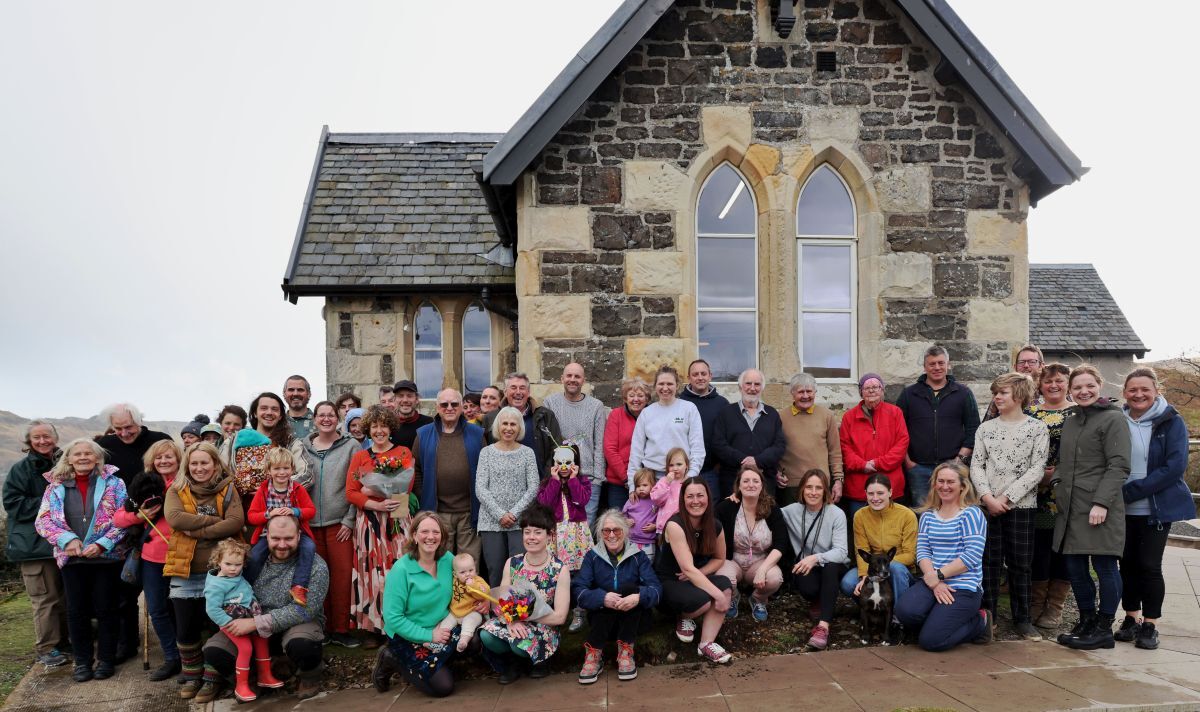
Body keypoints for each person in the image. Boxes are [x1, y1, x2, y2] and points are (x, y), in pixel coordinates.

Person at [200, 516, 329, 703]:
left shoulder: (316, 566)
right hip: (248, 620)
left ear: (299, 536)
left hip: (293, 624)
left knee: (303, 643)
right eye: (276, 538)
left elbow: (304, 611)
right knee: (214, 650)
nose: (282, 545)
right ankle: (250, 679)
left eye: (288, 538)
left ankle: (310, 675)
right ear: (266, 536)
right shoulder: (249, 562)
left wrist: (255, 623)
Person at [34, 438, 128, 682]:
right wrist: (67, 540)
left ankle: (106, 660)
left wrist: (102, 544)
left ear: (97, 458)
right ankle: (83, 662)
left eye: (89, 453)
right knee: (77, 612)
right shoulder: (54, 487)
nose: (83, 457)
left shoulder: (115, 484)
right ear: (69, 459)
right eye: (78, 454)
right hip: (72, 558)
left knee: (107, 609)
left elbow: (124, 520)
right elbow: (43, 521)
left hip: (106, 558)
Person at [1115, 367, 1195, 650]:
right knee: (1126, 564)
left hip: (1154, 507)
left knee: (1149, 566)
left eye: (1145, 389)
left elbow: (1175, 467)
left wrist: (1131, 491)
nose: (1139, 394)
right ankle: (1130, 618)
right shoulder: (1117, 419)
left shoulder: (1171, 421)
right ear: (1124, 393)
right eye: (1133, 390)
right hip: (1121, 509)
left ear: (1156, 391)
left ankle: (1150, 624)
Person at [1053, 365, 1131, 650]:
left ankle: (1103, 628)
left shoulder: (1113, 419)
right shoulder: (1072, 419)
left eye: (1089, 386)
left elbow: (1119, 465)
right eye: (1077, 387)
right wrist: (1058, 484)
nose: (1083, 391)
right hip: (1071, 506)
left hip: (1100, 506)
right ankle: (1086, 621)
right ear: (1070, 391)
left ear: (1100, 386)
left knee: (1105, 566)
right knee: (1075, 567)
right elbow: (1063, 461)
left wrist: (1101, 502)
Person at [970, 372, 1049, 641]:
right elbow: (977, 465)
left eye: (1002, 393)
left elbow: (1037, 468)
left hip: (1022, 507)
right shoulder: (986, 429)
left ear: (1019, 395)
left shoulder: (1036, 428)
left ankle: (1023, 620)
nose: (997, 397)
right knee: (989, 562)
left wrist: (1007, 498)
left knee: (1021, 564)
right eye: (996, 393)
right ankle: (988, 617)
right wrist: (988, 498)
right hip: (988, 506)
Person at [163, 442, 244, 699]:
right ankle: (191, 675)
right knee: (186, 628)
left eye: (204, 463)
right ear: (187, 465)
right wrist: (214, 522)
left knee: (215, 626)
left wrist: (197, 530)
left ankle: (212, 678)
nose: (199, 468)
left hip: (220, 572)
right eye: (194, 463)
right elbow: (175, 519)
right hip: (184, 569)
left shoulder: (228, 488)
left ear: (215, 464)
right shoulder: (177, 489)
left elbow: (235, 522)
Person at [95, 402, 170, 661]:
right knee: (124, 590)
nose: (124, 433)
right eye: (118, 429)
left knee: (162, 594)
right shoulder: (107, 445)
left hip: (159, 525)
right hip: (125, 521)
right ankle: (127, 644)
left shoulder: (159, 441)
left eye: (128, 427)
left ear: (139, 421)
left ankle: (173, 647)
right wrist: (133, 516)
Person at [894, 461, 990, 652]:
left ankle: (980, 622)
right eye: (941, 481)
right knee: (905, 612)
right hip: (933, 581)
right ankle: (939, 619)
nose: (945, 486)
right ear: (934, 483)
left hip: (963, 587)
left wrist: (939, 576)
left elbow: (972, 556)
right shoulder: (928, 515)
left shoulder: (971, 514)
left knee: (931, 641)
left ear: (962, 485)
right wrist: (934, 581)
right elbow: (922, 551)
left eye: (950, 482)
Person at [372, 511, 467, 697]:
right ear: (414, 535)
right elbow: (392, 617)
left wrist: (477, 602)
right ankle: (390, 658)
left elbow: (464, 587)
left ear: (442, 536)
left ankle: (439, 662)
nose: (430, 537)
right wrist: (429, 635)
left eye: (436, 532)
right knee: (443, 687)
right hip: (409, 635)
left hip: (441, 626)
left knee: (473, 641)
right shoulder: (402, 569)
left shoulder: (448, 559)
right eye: (424, 532)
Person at [113, 439, 183, 681]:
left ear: (178, 459)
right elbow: (119, 518)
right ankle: (172, 657)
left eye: (168, 457)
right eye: (158, 457)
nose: (163, 461)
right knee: (157, 609)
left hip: (182, 555)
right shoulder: (141, 483)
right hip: (152, 557)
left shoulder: (186, 483)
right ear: (151, 461)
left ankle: (190, 658)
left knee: (183, 609)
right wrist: (138, 515)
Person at [479, 504, 572, 683]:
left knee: (519, 643)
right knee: (486, 634)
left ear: (550, 536)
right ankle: (513, 663)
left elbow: (559, 617)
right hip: (514, 621)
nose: (531, 537)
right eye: (527, 532)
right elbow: (500, 602)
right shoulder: (512, 563)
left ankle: (539, 660)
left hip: (543, 625)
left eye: (537, 532)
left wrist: (523, 617)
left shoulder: (560, 569)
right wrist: (512, 620)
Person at [346, 405, 415, 646]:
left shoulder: (403, 453)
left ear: (390, 428)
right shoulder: (360, 457)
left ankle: (401, 624)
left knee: (398, 568)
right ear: (368, 429)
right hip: (369, 520)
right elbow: (351, 492)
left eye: (383, 426)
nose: (379, 431)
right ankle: (374, 627)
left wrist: (371, 489)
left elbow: (405, 486)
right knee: (371, 571)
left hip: (398, 514)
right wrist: (373, 503)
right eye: (374, 426)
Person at [3, 420, 68, 669]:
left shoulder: (65, 463)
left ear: (55, 437)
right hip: (33, 546)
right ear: (28, 442)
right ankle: (47, 648)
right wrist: (49, 500)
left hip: (62, 541)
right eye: (37, 438)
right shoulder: (21, 470)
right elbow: (14, 505)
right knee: (45, 598)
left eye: (47, 436)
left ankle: (65, 640)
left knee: (65, 596)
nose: (42, 441)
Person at [572, 509, 662, 684]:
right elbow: (578, 590)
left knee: (630, 589)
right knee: (601, 594)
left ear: (625, 532)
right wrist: (602, 598)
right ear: (600, 533)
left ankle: (626, 651)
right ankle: (593, 655)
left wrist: (638, 597)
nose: (611, 535)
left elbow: (657, 589)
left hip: (635, 621)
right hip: (603, 622)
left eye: (616, 530)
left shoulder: (638, 556)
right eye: (606, 531)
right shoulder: (592, 557)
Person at [301, 400, 361, 647]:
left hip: (340, 523)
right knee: (318, 577)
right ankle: (321, 629)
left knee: (342, 576)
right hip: (310, 523)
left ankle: (341, 630)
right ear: (314, 419)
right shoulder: (302, 447)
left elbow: (359, 485)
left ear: (338, 419)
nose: (326, 419)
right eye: (321, 415)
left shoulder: (352, 446)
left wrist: (349, 520)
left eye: (331, 415)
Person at [655, 478, 732, 664]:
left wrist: (703, 573)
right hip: (668, 582)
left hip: (693, 579)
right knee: (705, 600)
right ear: (683, 499)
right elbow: (687, 569)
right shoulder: (675, 524)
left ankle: (706, 644)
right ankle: (684, 617)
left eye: (700, 495)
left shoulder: (714, 525)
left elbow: (719, 558)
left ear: (708, 497)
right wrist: (717, 597)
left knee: (726, 587)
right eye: (690, 496)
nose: (695, 501)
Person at [202, 539, 285, 702]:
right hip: (231, 621)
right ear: (218, 561)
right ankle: (241, 685)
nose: (233, 569)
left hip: (249, 616)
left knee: (262, 639)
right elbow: (212, 609)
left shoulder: (237, 575)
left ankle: (265, 676)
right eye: (228, 564)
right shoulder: (216, 585)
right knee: (245, 647)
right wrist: (229, 624)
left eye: (238, 565)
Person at [896, 346, 980, 505]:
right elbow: (898, 430)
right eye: (932, 364)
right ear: (924, 367)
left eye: (941, 363)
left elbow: (973, 428)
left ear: (948, 365)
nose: (937, 368)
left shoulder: (963, 393)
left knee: (954, 511)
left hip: (953, 466)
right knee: (923, 515)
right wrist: (908, 462)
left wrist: (960, 459)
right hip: (918, 468)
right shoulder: (909, 394)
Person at [413, 388, 486, 564]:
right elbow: (415, 470)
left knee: (469, 565)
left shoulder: (477, 434)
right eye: (444, 404)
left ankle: (469, 593)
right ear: (437, 407)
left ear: (461, 407)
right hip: (438, 512)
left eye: (454, 404)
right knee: (440, 564)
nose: (449, 408)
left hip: (470, 512)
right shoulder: (423, 434)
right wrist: (425, 495)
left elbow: (486, 469)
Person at [1027, 363, 1074, 631]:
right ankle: (1036, 603)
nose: (1053, 385)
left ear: (1067, 383)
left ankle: (1055, 607)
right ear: (1040, 385)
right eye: (1048, 381)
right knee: (1039, 550)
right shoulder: (1030, 412)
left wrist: (1059, 472)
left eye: (1059, 381)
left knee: (1063, 550)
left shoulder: (1078, 413)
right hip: (1037, 494)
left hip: (1068, 492)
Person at [781, 468, 849, 651]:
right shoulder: (791, 511)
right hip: (807, 566)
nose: (813, 492)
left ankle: (823, 627)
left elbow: (842, 551)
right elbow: (765, 510)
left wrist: (816, 558)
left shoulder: (836, 513)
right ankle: (821, 598)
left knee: (831, 567)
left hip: (833, 565)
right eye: (809, 487)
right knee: (808, 588)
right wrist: (738, 496)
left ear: (825, 491)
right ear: (802, 489)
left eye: (818, 488)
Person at [475, 406, 540, 585]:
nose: (508, 428)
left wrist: (513, 514)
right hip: (491, 522)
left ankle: (519, 610)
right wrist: (500, 514)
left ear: (519, 428)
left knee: (519, 570)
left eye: (513, 424)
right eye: (505, 423)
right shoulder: (486, 453)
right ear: (498, 426)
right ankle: (497, 611)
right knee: (495, 570)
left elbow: (533, 487)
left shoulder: (528, 453)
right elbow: (480, 488)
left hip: (519, 523)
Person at [715, 465, 789, 622]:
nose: (751, 484)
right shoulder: (726, 507)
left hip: (759, 561)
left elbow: (781, 543)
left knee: (774, 578)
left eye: (755, 481)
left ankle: (758, 599)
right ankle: (733, 597)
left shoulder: (772, 509)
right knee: (723, 577)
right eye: (746, 481)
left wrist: (763, 569)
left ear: (762, 485)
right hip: (732, 560)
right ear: (739, 485)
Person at [245, 447, 318, 604]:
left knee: (309, 547)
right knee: (255, 555)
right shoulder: (264, 490)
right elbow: (251, 516)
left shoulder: (297, 488)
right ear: (269, 470)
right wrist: (268, 514)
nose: (281, 472)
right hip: (269, 534)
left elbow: (311, 511)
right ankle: (244, 587)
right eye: (277, 468)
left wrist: (295, 511)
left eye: (286, 468)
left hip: (296, 532)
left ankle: (299, 586)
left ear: (292, 469)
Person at [536, 444, 593, 631]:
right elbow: (545, 503)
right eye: (559, 463)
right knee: (557, 572)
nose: (564, 467)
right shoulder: (547, 483)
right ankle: (555, 611)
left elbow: (581, 500)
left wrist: (573, 480)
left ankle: (579, 609)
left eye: (568, 463)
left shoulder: (582, 481)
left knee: (578, 573)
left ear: (575, 464)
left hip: (576, 535)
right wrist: (554, 481)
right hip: (556, 535)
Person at [543, 362, 609, 524]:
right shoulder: (550, 403)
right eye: (569, 375)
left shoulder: (596, 406)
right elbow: (546, 442)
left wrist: (598, 478)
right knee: (558, 527)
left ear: (583, 380)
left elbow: (599, 444)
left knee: (585, 527)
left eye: (577, 376)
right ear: (562, 379)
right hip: (559, 475)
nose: (573, 380)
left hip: (587, 478)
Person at [840, 474, 917, 609]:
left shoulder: (907, 515)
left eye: (880, 493)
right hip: (873, 568)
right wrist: (865, 575)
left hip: (900, 569)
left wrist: (883, 566)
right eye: (871, 494)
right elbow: (861, 550)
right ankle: (874, 609)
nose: (875, 498)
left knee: (895, 568)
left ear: (890, 492)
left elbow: (910, 555)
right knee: (848, 583)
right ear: (865, 494)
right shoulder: (860, 515)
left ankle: (899, 616)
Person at [223, 392, 309, 512]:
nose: (269, 412)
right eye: (264, 408)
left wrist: (274, 487)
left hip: (280, 513)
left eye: (274, 409)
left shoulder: (291, 443)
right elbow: (219, 472)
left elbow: (306, 474)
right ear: (255, 413)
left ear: (280, 416)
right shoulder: (234, 441)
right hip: (238, 512)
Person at [840, 374, 909, 515]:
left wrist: (877, 463)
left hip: (890, 485)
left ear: (882, 390)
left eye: (876, 387)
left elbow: (902, 444)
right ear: (861, 392)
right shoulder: (849, 417)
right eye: (867, 388)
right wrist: (862, 465)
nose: (872, 391)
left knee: (891, 530)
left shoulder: (895, 413)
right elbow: (844, 448)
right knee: (861, 529)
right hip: (859, 487)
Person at [627, 365, 705, 488]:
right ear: (655, 386)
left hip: (681, 477)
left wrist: (690, 476)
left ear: (677, 385)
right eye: (661, 384)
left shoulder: (689, 409)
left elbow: (698, 448)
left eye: (669, 384)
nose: (665, 388)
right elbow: (636, 452)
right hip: (651, 478)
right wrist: (633, 485)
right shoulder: (647, 413)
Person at [712, 368, 786, 498]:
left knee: (763, 516)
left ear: (762, 388)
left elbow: (779, 445)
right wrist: (742, 460)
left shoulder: (772, 414)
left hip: (765, 483)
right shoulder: (726, 413)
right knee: (732, 517)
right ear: (740, 387)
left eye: (757, 384)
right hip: (732, 483)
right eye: (748, 383)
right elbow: (718, 444)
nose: (752, 388)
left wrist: (757, 461)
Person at [779, 373, 844, 507]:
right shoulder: (780, 417)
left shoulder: (827, 416)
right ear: (792, 393)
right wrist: (777, 472)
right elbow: (774, 450)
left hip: (820, 485)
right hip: (791, 485)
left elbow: (835, 453)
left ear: (815, 392)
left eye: (809, 391)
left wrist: (838, 481)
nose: (805, 396)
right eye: (800, 392)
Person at [481, 372, 563, 477]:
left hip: (540, 483)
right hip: (503, 484)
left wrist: (546, 477)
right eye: (513, 387)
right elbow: (485, 452)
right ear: (505, 392)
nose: (518, 392)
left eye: (522, 388)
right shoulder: (490, 419)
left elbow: (556, 447)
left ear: (528, 392)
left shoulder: (545, 416)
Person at [679, 359, 730, 499]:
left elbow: (728, 436)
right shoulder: (679, 402)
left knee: (710, 513)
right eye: (695, 374)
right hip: (684, 472)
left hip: (711, 471)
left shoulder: (722, 404)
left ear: (710, 376)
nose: (700, 377)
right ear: (689, 378)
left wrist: (720, 464)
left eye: (703, 373)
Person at [603, 377, 651, 510]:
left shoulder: (653, 416)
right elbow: (610, 449)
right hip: (619, 482)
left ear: (647, 399)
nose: (636, 399)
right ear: (625, 398)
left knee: (644, 523)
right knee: (619, 522)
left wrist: (644, 480)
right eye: (631, 395)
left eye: (640, 395)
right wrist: (626, 479)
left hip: (648, 483)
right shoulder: (616, 415)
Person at [435, 553, 491, 652]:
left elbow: (485, 592)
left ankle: (463, 641)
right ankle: (438, 644)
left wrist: (473, 586)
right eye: (463, 572)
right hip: (454, 612)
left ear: (475, 568)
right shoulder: (454, 580)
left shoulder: (477, 581)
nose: (468, 574)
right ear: (455, 574)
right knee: (445, 624)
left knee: (470, 622)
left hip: (472, 611)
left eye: (471, 570)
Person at [983, 344, 1045, 421]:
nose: (1026, 365)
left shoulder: (1048, 393)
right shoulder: (1002, 394)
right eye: (1021, 362)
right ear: (1015, 366)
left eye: (1032, 362)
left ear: (1041, 366)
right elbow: (987, 425)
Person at [649, 448, 691, 534]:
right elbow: (656, 499)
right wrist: (666, 483)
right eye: (671, 465)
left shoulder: (689, 482)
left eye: (679, 464)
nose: (675, 468)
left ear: (686, 465)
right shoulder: (663, 481)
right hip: (664, 528)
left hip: (684, 527)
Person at [622, 469, 658, 557]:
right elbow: (622, 516)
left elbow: (662, 518)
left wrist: (655, 526)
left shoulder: (656, 501)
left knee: (647, 566)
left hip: (648, 543)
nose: (641, 488)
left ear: (653, 485)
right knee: (630, 565)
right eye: (638, 486)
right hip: (631, 541)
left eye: (645, 485)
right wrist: (625, 521)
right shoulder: (632, 500)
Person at [389, 380, 434, 450]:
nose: (405, 400)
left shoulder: (428, 423)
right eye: (400, 396)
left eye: (409, 396)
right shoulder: (388, 424)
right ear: (394, 400)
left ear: (416, 399)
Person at [284, 375, 315, 440]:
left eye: (300, 390)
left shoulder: (320, 422)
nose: (295, 394)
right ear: (284, 394)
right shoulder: (277, 422)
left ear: (309, 394)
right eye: (291, 390)